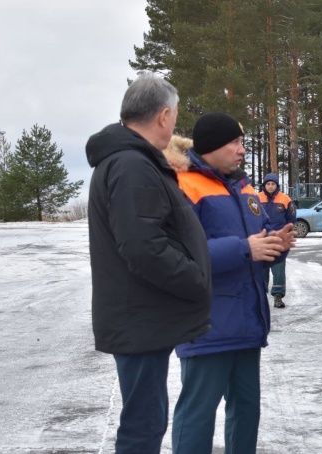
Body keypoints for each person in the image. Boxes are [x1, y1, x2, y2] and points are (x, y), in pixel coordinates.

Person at [85, 72, 212, 454]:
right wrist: (194, 278)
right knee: (144, 423)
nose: (175, 122)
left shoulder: (130, 161)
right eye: (174, 114)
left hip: (140, 316)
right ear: (162, 116)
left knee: (147, 417)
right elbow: (144, 248)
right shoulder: (131, 165)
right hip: (138, 318)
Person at [169, 112, 296, 454]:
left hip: (247, 323)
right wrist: (245, 249)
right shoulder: (184, 185)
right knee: (197, 416)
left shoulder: (245, 187)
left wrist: (276, 245)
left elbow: (262, 238)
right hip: (207, 326)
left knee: (246, 412)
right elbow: (179, 255)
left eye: (242, 142)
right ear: (212, 147)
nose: (242, 150)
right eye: (235, 143)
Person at [259, 172, 297, 308]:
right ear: (264, 185)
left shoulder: (285, 199)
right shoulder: (256, 198)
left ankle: (278, 297)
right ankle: (260, 297)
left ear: (277, 185)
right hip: (261, 240)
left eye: (273, 184)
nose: (270, 186)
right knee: (260, 271)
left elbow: (291, 220)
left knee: (278, 270)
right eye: (268, 184)